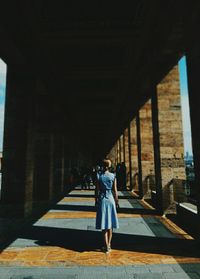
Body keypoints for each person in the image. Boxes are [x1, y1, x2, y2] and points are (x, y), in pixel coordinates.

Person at [95, 159, 119, 253]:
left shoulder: (99, 176)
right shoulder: (113, 176)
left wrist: (96, 200)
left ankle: (106, 246)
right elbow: (115, 190)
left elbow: (96, 190)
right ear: (109, 166)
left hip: (102, 200)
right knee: (110, 224)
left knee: (104, 224)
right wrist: (116, 201)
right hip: (111, 199)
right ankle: (109, 244)